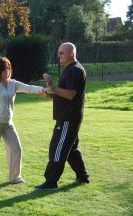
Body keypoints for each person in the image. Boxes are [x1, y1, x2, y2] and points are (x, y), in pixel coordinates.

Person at [0, 57, 46, 189]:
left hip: (8, 124)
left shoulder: (13, 84)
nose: (7, 71)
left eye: (8, 68)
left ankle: (15, 178)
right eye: (3, 69)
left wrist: (42, 90)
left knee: (16, 149)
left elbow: (28, 88)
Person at [35, 42, 90, 190]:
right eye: (59, 53)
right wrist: (49, 93)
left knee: (57, 147)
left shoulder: (75, 70)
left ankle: (51, 182)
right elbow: (63, 94)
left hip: (68, 117)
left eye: (61, 53)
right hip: (68, 116)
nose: (58, 56)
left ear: (71, 53)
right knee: (71, 148)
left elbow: (70, 94)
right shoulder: (69, 69)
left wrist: (52, 85)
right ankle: (82, 176)